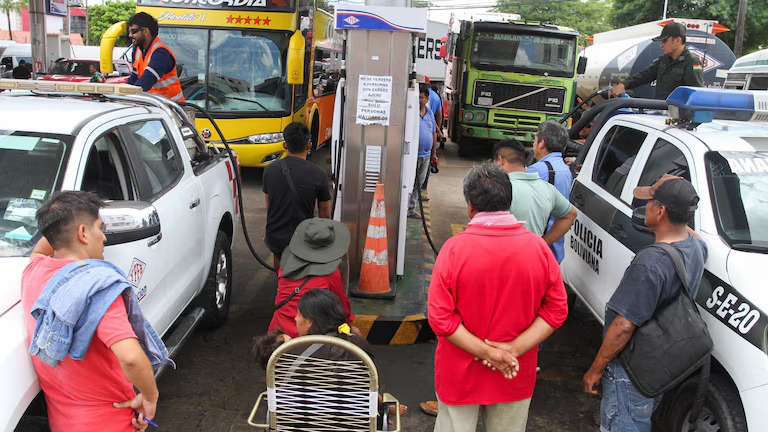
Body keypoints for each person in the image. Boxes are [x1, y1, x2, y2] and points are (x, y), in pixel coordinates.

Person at [428, 162, 569, 432]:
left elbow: (440, 319)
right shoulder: (538, 248)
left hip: (460, 372)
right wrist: (510, 352)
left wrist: (486, 352)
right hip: (514, 370)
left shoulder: (455, 249)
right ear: (509, 201)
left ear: (470, 205)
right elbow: (556, 311)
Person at [21, 191, 169, 432]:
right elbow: (130, 357)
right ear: (82, 233)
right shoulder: (98, 288)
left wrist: (61, 218)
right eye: (100, 228)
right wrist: (150, 397)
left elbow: (42, 247)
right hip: (110, 422)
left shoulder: (34, 272)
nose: (104, 238)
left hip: (63, 424)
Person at [582, 175, 707, 432]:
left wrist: (595, 369)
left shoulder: (650, 263)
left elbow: (624, 326)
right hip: (660, 362)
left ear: (660, 211)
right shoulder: (697, 247)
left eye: (650, 202)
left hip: (632, 370)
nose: (644, 207)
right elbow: (686, 230)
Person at [268, 218, 356, 338]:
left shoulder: (286, 266)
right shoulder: (331, 275)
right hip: (311, 338)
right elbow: (343, 311)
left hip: (278, 334)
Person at [263, 122, 331, 269]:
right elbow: (325, 215)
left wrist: (268, 233)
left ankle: (282, 286)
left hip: (276, 236)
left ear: (284, 145)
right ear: (309, 145)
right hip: (304, 238)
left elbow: (270, 206)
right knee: (302, 276)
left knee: (282, 273)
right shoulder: (319, 175)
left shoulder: (269, 170)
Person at [493, 139, 576, 241]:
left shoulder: (498, 190)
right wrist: (543, 244)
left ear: (500, 159)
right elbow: (571, 214)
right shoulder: (548, 189)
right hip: (534, 255)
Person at [611, 22, 704, 100]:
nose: (661, 45)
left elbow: (695, 94)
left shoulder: (692, 62)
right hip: (660, 110)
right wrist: (624, 84)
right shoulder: (664, 60)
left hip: (679, 116)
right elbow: (645, 75)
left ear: (677, 40)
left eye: (665, 41)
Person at [527, 120, 573, 263]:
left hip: (537, 249)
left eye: (534, 140)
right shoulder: (564, 168)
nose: (533, 145)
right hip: (554, 248)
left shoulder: (538, 170)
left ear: (542, 143)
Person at [126, 12, 185, 102]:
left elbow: (146, 81)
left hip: (171, 108)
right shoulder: (137, 50)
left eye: (134, 31)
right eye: (129, 31)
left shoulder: (161, 53)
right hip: (156, 105)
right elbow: (133, 78)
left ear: (145, 31)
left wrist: (128, 96)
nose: (130, 35)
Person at [408, 87, 437, 219]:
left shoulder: (430, 113)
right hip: (413, 155)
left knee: (419, 183)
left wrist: (434, 154)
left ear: (426, 99)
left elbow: (433, 133)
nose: (419, 100)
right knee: (409, 182)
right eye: (418, 97)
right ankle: (405, 207)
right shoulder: (411, 113)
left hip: (426, 155)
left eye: (422, 98)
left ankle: (410, 209)